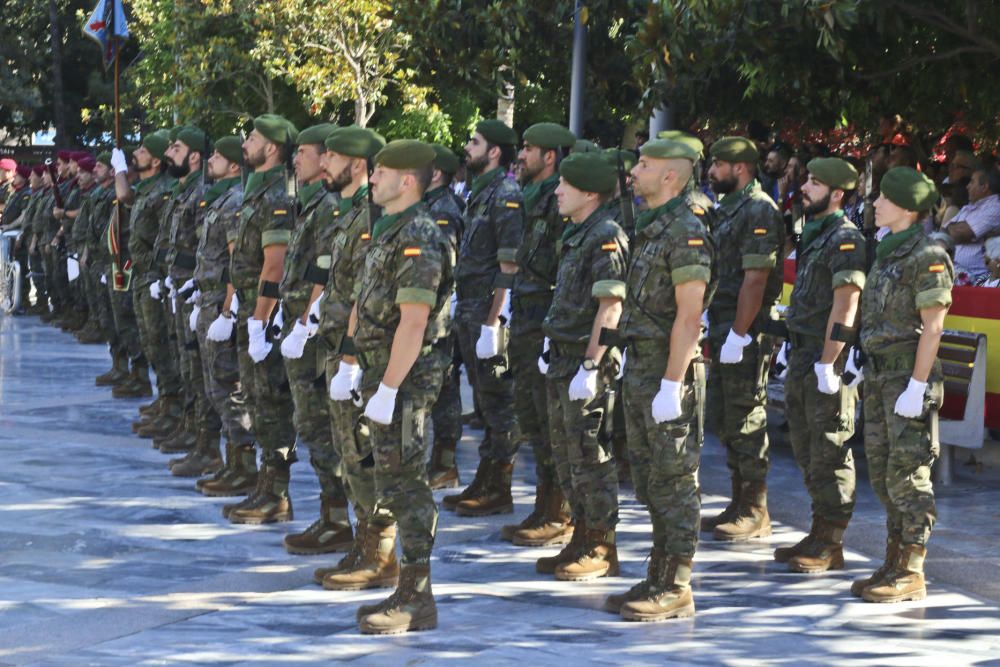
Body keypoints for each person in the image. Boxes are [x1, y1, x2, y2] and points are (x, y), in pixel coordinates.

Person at [603, 138, 714, 621]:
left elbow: (689, 316)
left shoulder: (686, 231)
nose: (635, 171)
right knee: (650, 478)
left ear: (671, 175)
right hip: (644, 366)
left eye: (645, 165)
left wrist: (673, 382)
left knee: (673, 478)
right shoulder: (651, 228)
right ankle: (658, 572)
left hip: (671, 372)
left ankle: (677, 583)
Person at [345, 139, 453, 634]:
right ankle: (404, 587)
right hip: (378, 372)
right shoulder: (388, 230)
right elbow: (362, 301)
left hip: (405, 381)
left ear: (406, 181)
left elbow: (414, 322)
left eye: (380, 171)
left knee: (409, 486)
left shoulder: (422, 237)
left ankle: (417, 596)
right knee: (392, 480)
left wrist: (389, 388)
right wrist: (352, 362)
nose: (371, 178)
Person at [855, 166, 953, 603]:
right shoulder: (887, 250)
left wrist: (917, 386)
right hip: (879, 376)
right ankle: (893, 560)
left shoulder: (927, 254)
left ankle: (912, 568)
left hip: (906, 379)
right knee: (881, 473)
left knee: (909, 476)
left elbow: (932, 328)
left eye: (883, 198)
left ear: (907, 207)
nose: (874, 204)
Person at [534, 150, 628, 581]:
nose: (557, 190)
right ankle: (580, 536)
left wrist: (592, 366)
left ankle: (601, 545)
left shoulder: (605, 235)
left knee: (592, 455)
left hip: (583, 361)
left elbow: (609, 308)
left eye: (565, 185)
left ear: (589, 192)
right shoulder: (578, 232)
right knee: (567, 454)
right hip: (563, 356)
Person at [318, 126, 398, 592]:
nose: (326, 163)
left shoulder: (371, 221)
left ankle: (381, 551)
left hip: (363, 354)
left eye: (336, 156)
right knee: (349, 453)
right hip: (340, 347)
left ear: (359, 165)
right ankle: (364, 540)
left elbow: (362, 298)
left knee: (365, 454)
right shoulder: (348, 215)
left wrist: (350, 358)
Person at [777, 158, 866, 573]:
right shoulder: (813, 234)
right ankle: (818, 530)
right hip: (802, 354)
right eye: (806, 180)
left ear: (837, 194)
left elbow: (846, 304)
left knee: (830, 447)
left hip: (824, 358)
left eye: (815, 183)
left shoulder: (845, 238)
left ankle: (832, 540)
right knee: (805, 446)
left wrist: (830, 362)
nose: (805, 187)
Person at [489, 122, 576, 547]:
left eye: (528, 148)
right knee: (530, 415)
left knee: (549, 419)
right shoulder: (527, 199)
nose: (520, 155)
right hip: (524, 319)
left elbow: (566, 274)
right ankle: (545, 501)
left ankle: (560, 508)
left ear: (551, 158)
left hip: (546, 322)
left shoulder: (561, 202)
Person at [275, 123, 355, 554]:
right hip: (304, 329)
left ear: (325, 157)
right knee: (311, 425)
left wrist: (307, 323)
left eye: (304, 152)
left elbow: (323, 274)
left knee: (324, 428)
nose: (296, 159)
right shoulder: (313, 203)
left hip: (319, 335)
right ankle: (330, 514)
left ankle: (338, 519)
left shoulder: (329, 208)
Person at [702, 136, 784, 542]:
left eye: (719, 164)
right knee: (726, 415)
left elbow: (756, 278)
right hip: (723, 326)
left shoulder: (759, 209)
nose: (711, 171)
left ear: (741, 168)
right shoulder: (728, 208)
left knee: (747, 415)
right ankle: (738, 500)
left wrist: (738, 334)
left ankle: (755, 508)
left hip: (746, 330)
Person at [443, 120, 523, 515]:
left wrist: (495, 323)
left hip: (487, 314)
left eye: (474, 142)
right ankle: (486, 477)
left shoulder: (505, 195)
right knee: (485, 400)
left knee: (498, 401)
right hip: (471, 308)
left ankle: (499, 486)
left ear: (494, 152)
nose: (467, 147)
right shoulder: (480, 194)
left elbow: (508, 266)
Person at [223, 114, 299, 525]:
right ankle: (265, 484)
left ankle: (277, 493)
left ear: (272, 148)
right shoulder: (255, 193)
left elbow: (274, 265)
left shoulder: (277, 198)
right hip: (249, 311)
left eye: (251, 137)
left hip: (264, 316)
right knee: (255, 398)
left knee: (270, 403)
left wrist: (259, 320)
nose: (245, 143)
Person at [193, 137, 258, 492]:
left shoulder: (234, 202)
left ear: (234, 166)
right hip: (210, 300)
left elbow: (237, 260)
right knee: (214, 387)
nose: (211, 159)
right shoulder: (222, 199)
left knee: (228, 387)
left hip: (222, 303)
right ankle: (233, 461)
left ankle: (245, 466)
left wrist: (229, 311)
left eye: (217, 156)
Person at [113, 132, 177, 403]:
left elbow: (123, 193)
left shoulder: (162, 190)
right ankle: (164, 401)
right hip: (141, 273)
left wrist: (119, 171)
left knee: (160, 342)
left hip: (155, 275)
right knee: (149, 341)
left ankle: (172, 404)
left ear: (156, 161)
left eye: (142, 150)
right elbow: (126, 196)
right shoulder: (147, 187)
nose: (136, 153)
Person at [424, 143, 467, 490]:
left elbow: (442, 267)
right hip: (432, 314)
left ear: (435, 173)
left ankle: (444, 463)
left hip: (437, 317)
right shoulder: (430, 205)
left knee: (443, 389)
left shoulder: (444, 210)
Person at [943, 166, 1000, 282]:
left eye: (972, 182)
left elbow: (960, 233)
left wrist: (956, 229)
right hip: (956, 271)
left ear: (984, 187)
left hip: (977, 278)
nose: (967, 186)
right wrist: (956, 230)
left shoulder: (995, 208)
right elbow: (944, 233)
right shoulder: (969, 207)